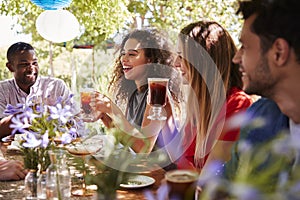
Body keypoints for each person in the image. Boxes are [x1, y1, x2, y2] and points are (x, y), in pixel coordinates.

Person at [168, 20, 252, 171]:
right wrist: (166, 115)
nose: (175, 63)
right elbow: (180, 162)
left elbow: (208, 181)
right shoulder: (200, 106)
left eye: (181, 56)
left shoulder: (237, 104)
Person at [90, 29, 181, 155]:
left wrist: (112, 109)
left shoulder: (157, 92)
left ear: (150, 59)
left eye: (132, 54)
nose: (124, 59)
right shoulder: (135, 94)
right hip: (145, 168)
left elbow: (143, 148)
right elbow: (130, 139)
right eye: (123, 54)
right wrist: (105, 116)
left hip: (161, 171)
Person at [0, 42, 72, 139]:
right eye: (24, 64)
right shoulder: (3, 90)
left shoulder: (56, 87)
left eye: (34, 63)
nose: (31, 69)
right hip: (13, 152)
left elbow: (75, 122)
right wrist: (21, 117)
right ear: (10, 67)